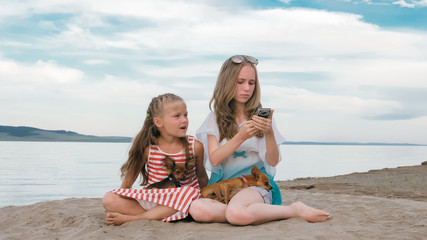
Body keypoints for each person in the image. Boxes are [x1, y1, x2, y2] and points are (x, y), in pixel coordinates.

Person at [189, 55, 331, 225]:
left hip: (254, 186)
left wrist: (269, 133)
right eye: (240, 82)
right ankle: (241, 213)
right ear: (226, 83)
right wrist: (241, 136)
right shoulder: (214, 119)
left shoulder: (261, 117)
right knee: (198, 209)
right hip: (225, 186)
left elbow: (273, 160)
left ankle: (294, 209)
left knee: (235, 212)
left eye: (251, 82)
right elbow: (214, 158)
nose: (247, 88)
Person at [102, 93, 208, 225]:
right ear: (158, 122)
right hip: (156, 200)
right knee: (109, 198)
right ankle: (159, 215)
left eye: (186, 115)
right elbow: (128, 182)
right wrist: (122, 198)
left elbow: (202, 177)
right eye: (177, 116)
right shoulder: (148, 148)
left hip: (184, 199)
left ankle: (138, 218)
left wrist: (205, 199)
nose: (184, 120)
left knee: (190, 191)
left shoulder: (195, 146)